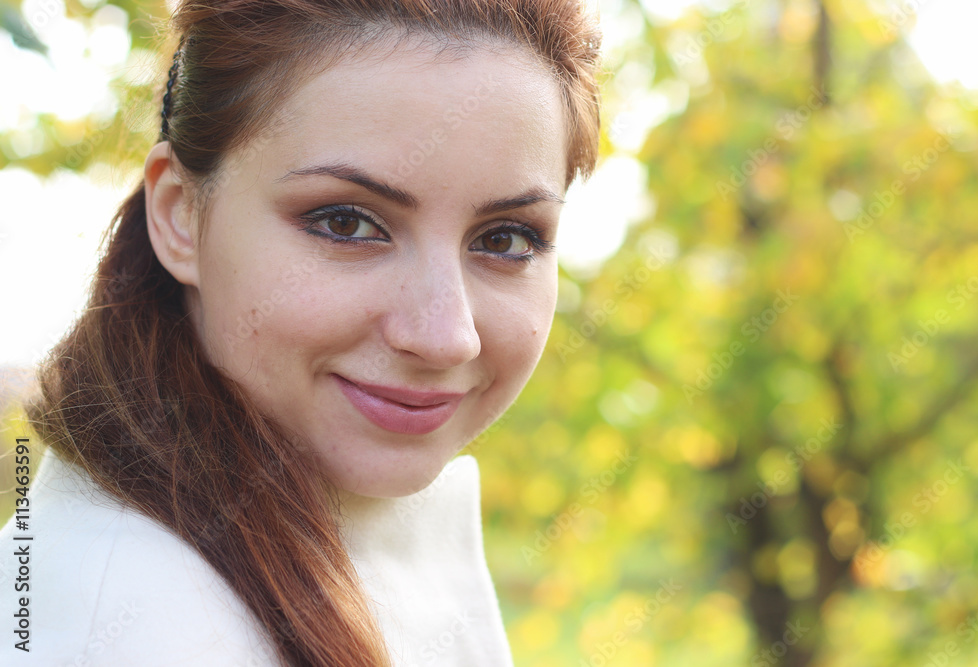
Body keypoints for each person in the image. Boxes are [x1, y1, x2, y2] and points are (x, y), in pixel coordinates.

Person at [0, 0, 602, 664]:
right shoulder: (128, 628)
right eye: (346, 223)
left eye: (506, 239)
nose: (445, 337)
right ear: (179, 215)